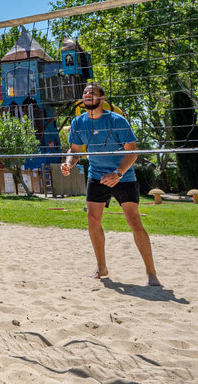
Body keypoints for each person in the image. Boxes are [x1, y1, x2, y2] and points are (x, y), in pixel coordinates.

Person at [61, 83, 161, 286]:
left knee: (134, 222)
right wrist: (69, 162)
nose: (87, 95)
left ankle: (151, 273)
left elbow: (132, 151)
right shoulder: (78, 122)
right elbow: (74, 150)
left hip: (123, 176)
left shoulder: (117, 120)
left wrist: (118, 173)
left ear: (102, 97)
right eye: (85, 93)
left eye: (92, 93)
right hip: (97, 176)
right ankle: (101, 266)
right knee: (92, 221)